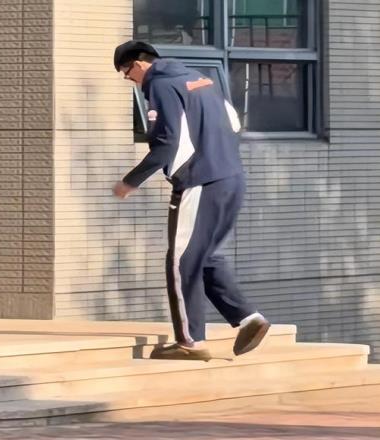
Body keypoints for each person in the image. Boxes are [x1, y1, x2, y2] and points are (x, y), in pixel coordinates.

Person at [112, 40, 271, 361]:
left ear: (138, 64)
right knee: (206, 257)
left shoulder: (160, 85)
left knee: (181, 262)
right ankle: (249, 318)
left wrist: (131, 181)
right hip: (231, 178)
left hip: (199, 182)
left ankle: (189, 342)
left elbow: (166, 143)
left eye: (126, 73)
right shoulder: (200, 79)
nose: (129, 80)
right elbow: (234, 123)